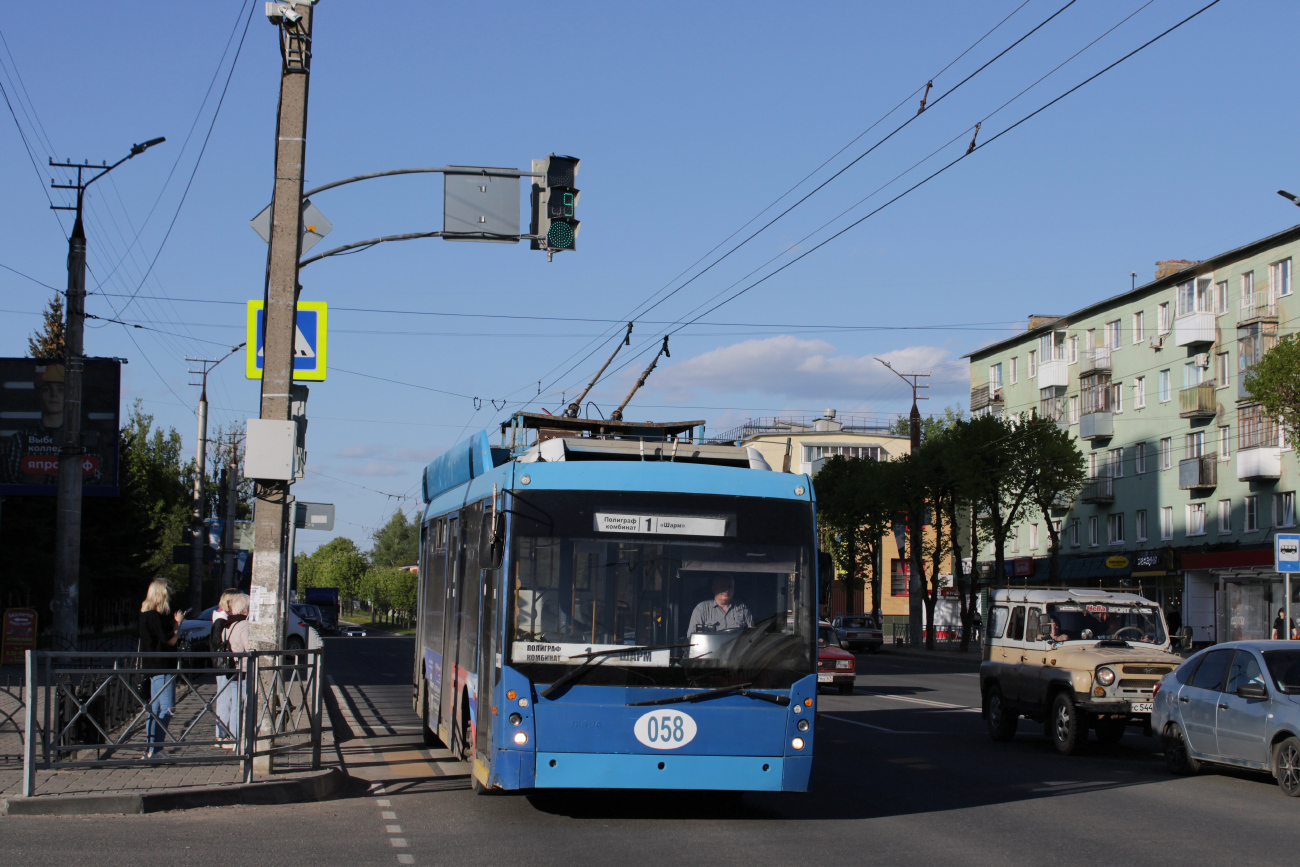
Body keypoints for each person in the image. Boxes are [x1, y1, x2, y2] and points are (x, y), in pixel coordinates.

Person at [139, 580, 185, 759]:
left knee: (155, 709)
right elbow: (170, 640)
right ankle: (156, 749)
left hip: (151, 666)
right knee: (167, 708)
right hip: (163, 665)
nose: (171, 596)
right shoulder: (155, 616)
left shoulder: (144, 614)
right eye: (169, 593)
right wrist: (178, 624)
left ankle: (151, 748)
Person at [215, 593, 251, 750]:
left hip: (232, 670)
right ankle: (240, 740)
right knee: (243, 706)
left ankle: (235, 739)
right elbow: (249, 648)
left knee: (236, 706)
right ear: (244, 609)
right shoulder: (243, 625)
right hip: (243, 670)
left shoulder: (227, 625)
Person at [211, 590, 239, 745]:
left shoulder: (222, 617)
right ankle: (221, 735)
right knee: (224, 698)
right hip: (223, 664)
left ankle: (223, 734)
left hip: (223, 663)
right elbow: (216, 642)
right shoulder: (221, 619)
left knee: (226, 697)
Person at [687, 574, 753, 634]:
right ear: (714, 588)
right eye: (722, 586)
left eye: (730, 587)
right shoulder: (701, 609)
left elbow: (753, 634)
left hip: (738, 647)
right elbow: (692, 636)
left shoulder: (742, 608)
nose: (726, 590)